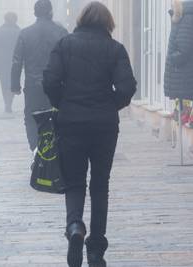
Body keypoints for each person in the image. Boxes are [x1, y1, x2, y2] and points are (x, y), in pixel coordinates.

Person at [43, 2, 136, 267]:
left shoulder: (64, 44)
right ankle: (95, 249)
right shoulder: (115, 49)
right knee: (100, 184)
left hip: (70, 121)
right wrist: (110, 105)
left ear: (82, 20)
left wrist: (63, 103)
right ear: (108, 22)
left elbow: (49, 79)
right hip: (104, 125)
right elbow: (128, 86)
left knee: (74, 182)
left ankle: (74, 226)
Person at [11, 0, 68, 151]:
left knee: (31, 117)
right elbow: (69, 58)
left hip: (33, 85)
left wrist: (15, 85)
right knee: (57, 117)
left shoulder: (25, 33)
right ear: (50, 12)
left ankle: (36, 149)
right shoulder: (61, 32)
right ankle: (53, 149)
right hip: (56, 84)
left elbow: (16, 61)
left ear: (35, 13)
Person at [0, 12, 20, 113]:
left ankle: (7, 103)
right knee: (13, 82)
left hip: (2, 62)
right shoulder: (19, 32)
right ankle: (9, 102)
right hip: (15, 62)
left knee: (4, 83)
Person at [164, 0, 193, 101]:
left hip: (183, 79)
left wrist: (171, 59)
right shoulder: (185, 15)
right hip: (184, 80)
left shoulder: (187, 17)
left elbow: (184, 49)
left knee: (185, 114)